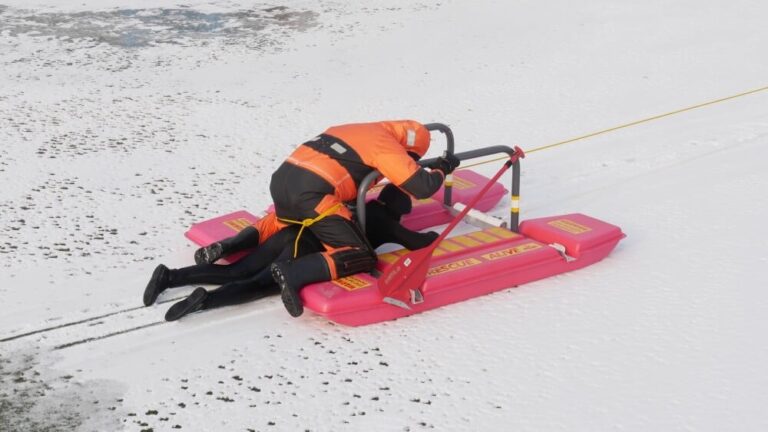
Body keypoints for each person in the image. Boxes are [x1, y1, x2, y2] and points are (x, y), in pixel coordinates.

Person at [143, 184, 438, 321]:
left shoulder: (357, 207)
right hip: (305, 248)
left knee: (235, 270)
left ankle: (171, 277)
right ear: (398, 210)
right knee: (257, 285)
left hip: (290, 233)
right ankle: (206, 301)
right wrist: (434, 235)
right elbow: (418, 242)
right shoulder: (386, 222)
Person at [267, 120, 460, 317]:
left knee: (286, 227)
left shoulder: (357, 129)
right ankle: (294, 272)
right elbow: (422, 188)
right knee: (361, 255)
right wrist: (442, 168)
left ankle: (254, 242)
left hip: (284, 182)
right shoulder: (385, 145)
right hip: (312, 195)